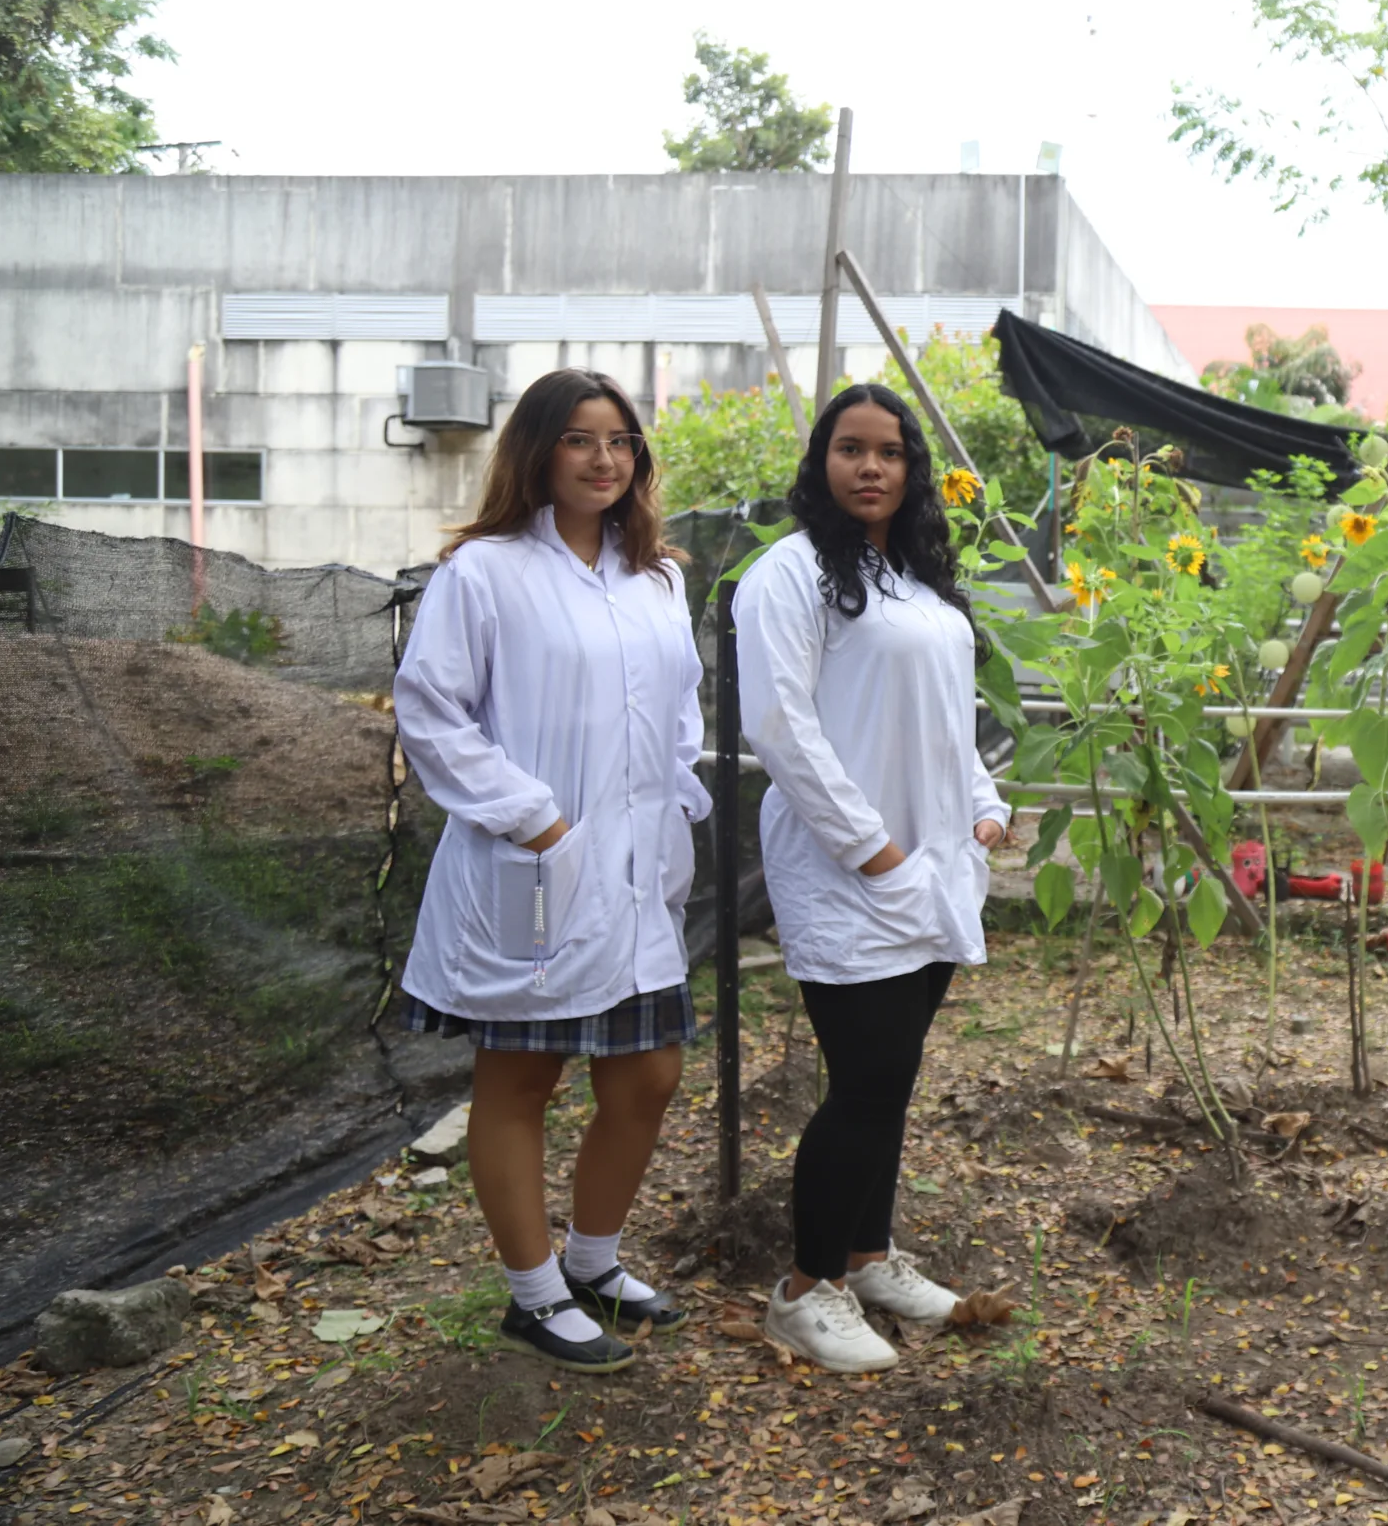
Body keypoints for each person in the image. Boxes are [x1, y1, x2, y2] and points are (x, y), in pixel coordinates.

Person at [395, 368, 708, 1374]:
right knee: (522, 1079)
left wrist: (676, 808)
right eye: (579, 439)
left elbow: (679, 707)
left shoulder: (658, 574)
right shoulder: (483, 573)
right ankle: (533, 1295)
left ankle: (593, 1262)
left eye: (619, 440)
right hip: (534, 866)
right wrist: (539, 822)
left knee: (648, 1074)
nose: (603, 458)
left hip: (635, 874)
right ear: (538, 450)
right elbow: (431, 712)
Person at [735, 382, 1011, 1374]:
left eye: (888, 452)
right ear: (821, 463)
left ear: (910, 470)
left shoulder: (916, 580)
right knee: (866, 1081)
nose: (870, 467)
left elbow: (947, 717)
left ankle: (866, 1254)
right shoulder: (789, 575)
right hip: (847, 870)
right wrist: (874, 851)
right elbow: (781, 728)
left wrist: (983, 806)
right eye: (849, 449)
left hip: (933, 866)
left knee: (892, 1082)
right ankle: (804, 1289)